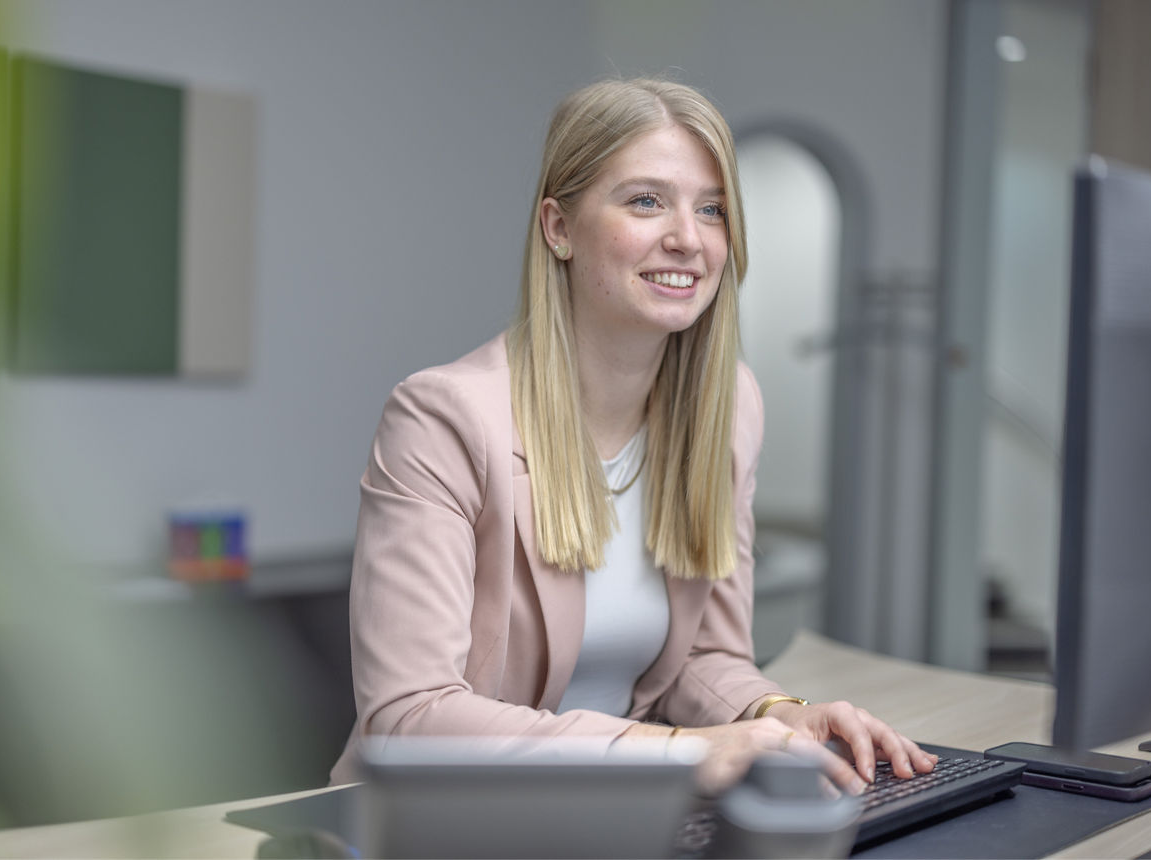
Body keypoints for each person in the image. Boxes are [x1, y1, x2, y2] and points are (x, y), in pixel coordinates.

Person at [329, 78, 936, 794]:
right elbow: (410, 717)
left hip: (621, 821)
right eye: (646, 201)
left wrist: (780, 715)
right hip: (446, 823)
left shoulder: (729, 405)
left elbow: (704, 658)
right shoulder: (444, 420)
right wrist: (679, 750)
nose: (686, 237)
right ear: (558, 228)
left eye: (711, 209)